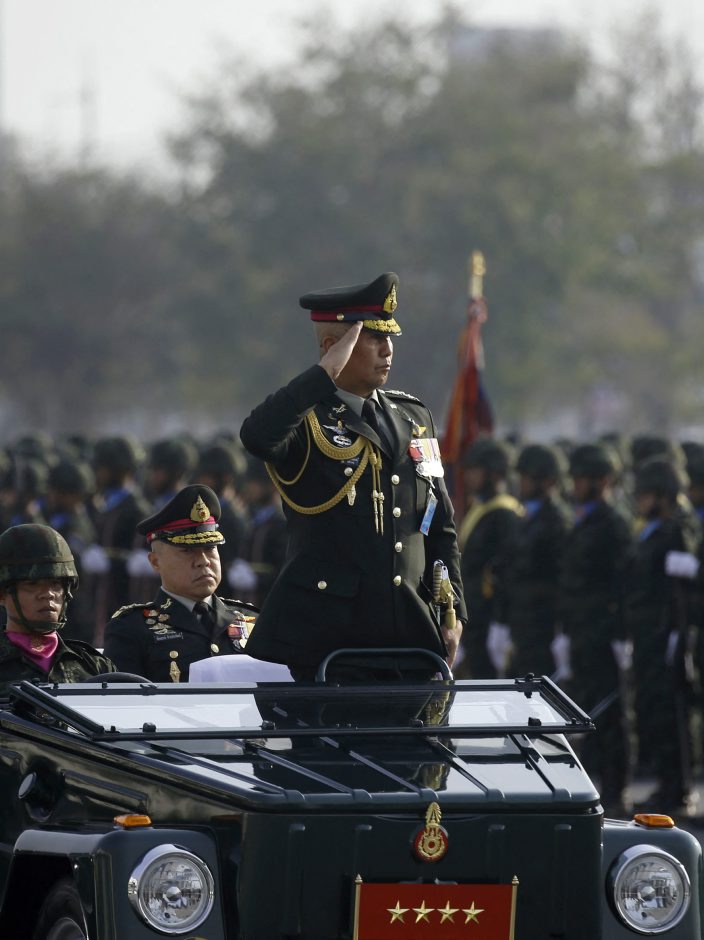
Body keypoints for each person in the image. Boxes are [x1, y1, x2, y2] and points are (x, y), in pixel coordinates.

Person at [240, 271, 466, 680]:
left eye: (390, 337)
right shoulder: (306, 419)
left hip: (412, 635)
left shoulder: (413, 417)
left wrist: (453, 612)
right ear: (332, 347)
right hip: (331, 641)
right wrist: (321, 376)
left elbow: (439, 526)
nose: (388, 349)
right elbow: (257, 435)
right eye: (373, 338)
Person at [103, 484, 258, 682]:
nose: (203, 561)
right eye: (187, 551)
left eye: (210, 548)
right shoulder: (131, 630)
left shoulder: (250, 621)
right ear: (155, 562)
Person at [557, 443, 634, 817]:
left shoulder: (614, 524)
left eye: (582, 479)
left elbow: (624, 584)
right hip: (583, 631)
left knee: (611, 715)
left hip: (604, 633)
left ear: (602, 481)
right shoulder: (584, 520)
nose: (576, 486)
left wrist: (621, 635)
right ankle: (591, 786)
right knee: (587, 711)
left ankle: (616, 789)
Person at [625, 456, 700, 816]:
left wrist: (677, 635)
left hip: (668, 634)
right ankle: (666, 784)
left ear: (663, 496)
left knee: (672, 713)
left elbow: (682, 593)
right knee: (655, 711)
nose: (640, 501)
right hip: (649, 634)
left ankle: (678, 789)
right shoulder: (654, 530)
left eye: (646, 495)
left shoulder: (678, 531)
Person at [0, 524, 115, 695]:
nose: (48, 594)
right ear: (3, 594)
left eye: (55, 584)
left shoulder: (94, 666)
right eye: (32, 584)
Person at [504, 443, 571, 679]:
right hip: (523, 622)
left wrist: (563, 630)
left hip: (544, 625)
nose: (522, 483)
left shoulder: (558, 521)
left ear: (548, 481)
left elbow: (564, 578)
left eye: (528, 478)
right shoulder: (526, 516)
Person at [456, 437, 522, 678]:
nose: (469, 476)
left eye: (476, 470)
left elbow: (507, 571)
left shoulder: (504, 514)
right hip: (474, 614)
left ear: (493, 473)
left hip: (490, 617)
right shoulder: (480, 508)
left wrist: (500, 621)